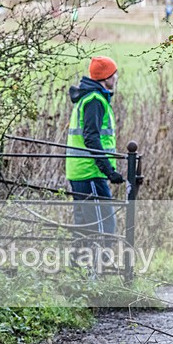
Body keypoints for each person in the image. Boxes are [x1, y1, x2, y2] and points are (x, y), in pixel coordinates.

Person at [65, 56, 123, 248]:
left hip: (81, 170)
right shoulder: (95, 101)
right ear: (105, 77)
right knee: (102, 225)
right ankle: (97, 271)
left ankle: (78, 270)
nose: (116, 78)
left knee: (84, 226)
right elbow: (92, 138)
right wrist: (109, 170)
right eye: (114, 74)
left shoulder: (87, 97)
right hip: (90, 172)